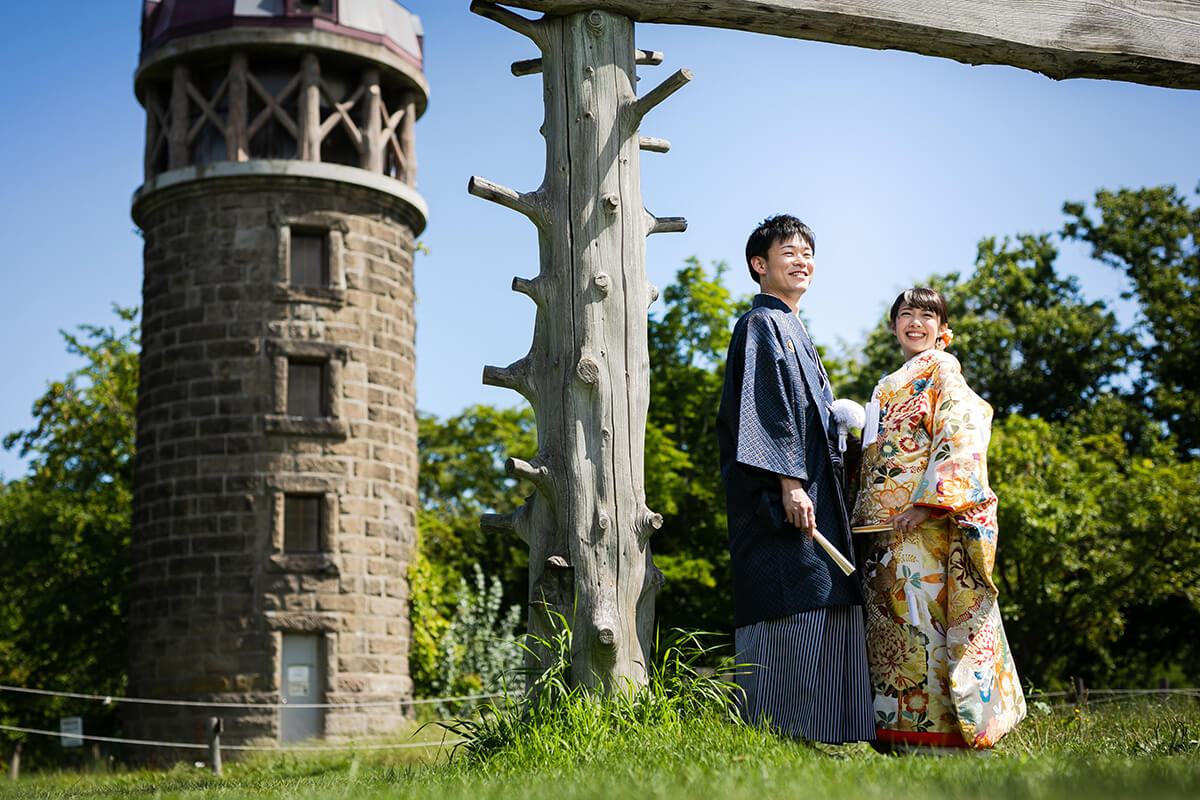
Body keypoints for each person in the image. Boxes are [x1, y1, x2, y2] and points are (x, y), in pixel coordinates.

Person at [716, 214, 874, 744]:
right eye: (788, 252)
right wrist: (789, 483)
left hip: (816, 495)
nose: (802, 260)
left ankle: (833, 733)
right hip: (780, 502)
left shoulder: (796, 328)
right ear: (760, 266)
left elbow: (807, 417)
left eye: (808, 252)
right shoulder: (760, 323)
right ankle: (784, 733)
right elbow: (769, 412)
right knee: (792, 597)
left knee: (827, 594)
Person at [851, 287, 1026, 752]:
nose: (915, 322)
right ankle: (894, 735)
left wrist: (930, 501)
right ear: (893, 327)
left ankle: (941, 736)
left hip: (922, 523)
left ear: (942, 329)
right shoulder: (886, 385)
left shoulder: (943, 370)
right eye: (906, 314)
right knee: (890, 633)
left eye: (926, 315)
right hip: (880, 530)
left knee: (923, 625)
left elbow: (962, 428)